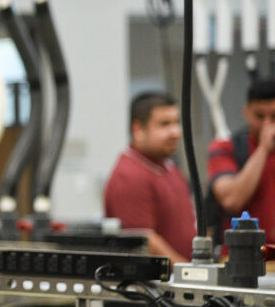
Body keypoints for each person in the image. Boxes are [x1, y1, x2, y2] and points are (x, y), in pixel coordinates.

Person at [103, 91, 196, 262]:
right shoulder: (130, 176)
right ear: (138, 129)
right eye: (164, 124)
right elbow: (145, 242)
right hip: (161, 285)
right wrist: (191, 274)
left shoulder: (167, 165)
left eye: (176, 122)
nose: (175, 132)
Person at [207, 77, 275, 245]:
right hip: (239, 258)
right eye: (259, 116)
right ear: (247, 112)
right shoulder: (226, 148)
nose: (267, 125)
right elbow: (231, 200)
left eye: (274, 117)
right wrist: (263, 149)